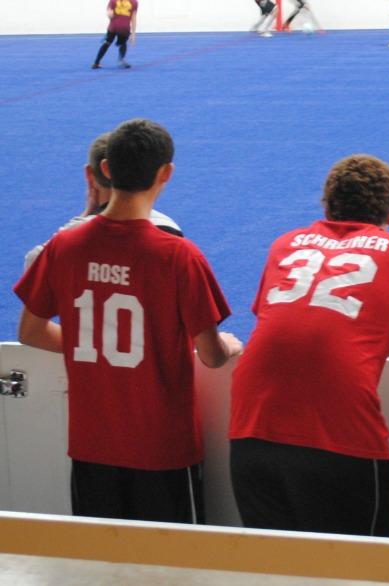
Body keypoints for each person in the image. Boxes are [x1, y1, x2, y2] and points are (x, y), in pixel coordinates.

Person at [14, 118, 242, 523]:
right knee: (174, 564)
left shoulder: (63, 246)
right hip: (163, 448)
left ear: (104, 170)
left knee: (101, 562)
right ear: (165, 173)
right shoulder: (178, 255)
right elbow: (210, 355)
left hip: (91, 444)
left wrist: (92, 338)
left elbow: (29, 331)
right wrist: (229, 345)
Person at [228, 154, 389, 536]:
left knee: (276, 571)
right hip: (340, 437)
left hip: (251, 431)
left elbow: (288, 324)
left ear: (326, 205)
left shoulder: (284, 244)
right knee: (359, 570)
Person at [24, 132, 182, 271]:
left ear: (90, 174)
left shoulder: (72, 236)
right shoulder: (169, 228)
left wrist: (83, 217)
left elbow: (33, 262)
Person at [93, 0, 137, 69]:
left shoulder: (113, 1)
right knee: (123, 43)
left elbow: (109, 14)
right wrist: (133, 34)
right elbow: (133, 18)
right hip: (124, 28)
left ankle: (96, 62)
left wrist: (111, 16)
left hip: (113, 27)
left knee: (107, 43)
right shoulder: (134, 2)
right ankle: (121, 60)